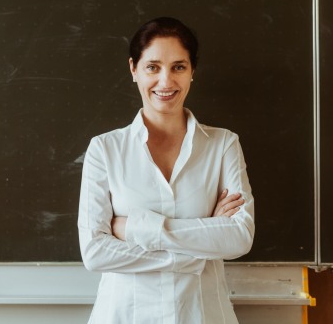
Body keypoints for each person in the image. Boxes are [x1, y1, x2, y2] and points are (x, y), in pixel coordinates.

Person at [78, 17, 254, 324]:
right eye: (153, 67)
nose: (166, 81)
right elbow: (96, 252)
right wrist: (202, 238)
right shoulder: (105, 149)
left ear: (192, 71)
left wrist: (134, 229)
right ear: (134, 69)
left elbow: (238, 237)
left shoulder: (223, 144)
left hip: (203, 314)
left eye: (178, 66)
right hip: (125, 315)